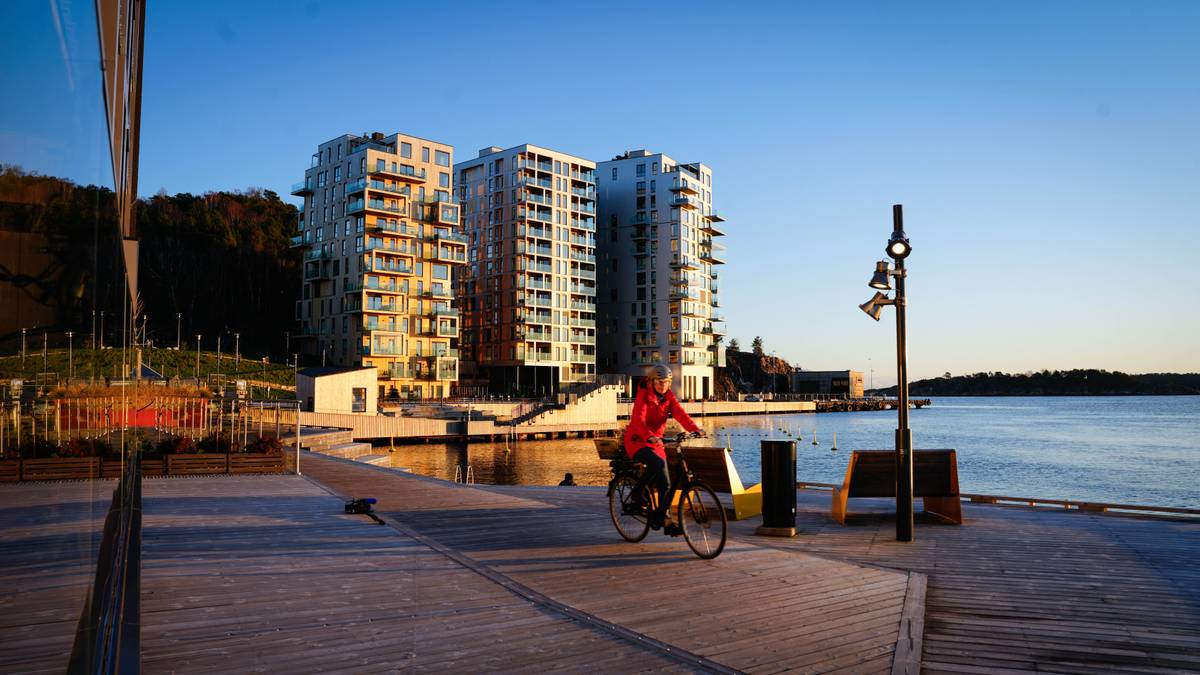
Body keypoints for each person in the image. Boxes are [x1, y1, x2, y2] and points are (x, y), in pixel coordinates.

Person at [623, 363, 704, 535]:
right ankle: (637, 494)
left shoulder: (669, 398)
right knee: (658, 464)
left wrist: (695, 429)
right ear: (652, 382)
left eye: (666, 382)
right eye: (660, 382)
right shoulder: (644, 395)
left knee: (665, 483)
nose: (663, 385)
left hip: (656, 443)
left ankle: (665, 521)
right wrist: (649, 436)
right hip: (637, 441)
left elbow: (681, 414)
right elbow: (638, 420)